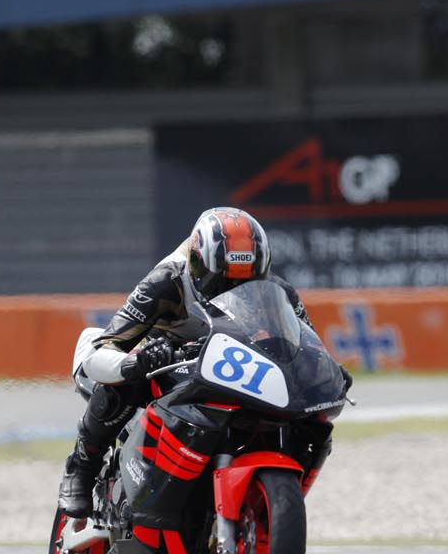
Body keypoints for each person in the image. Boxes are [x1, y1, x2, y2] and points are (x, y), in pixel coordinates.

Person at [58, 206, 312, 518]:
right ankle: (82, 466)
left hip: (231, 366)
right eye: (224, 282)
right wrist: (136, 362)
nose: (235, 290)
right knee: (129, 376)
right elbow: (103, 348)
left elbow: (303, 347)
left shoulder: (279, 293)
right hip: (168, 357)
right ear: (198, 264)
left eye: (246, 281)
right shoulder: (166, 281)